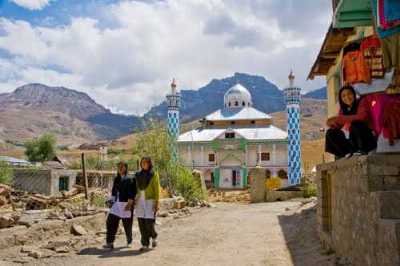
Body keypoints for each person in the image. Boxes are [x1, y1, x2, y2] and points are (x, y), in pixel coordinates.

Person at [325, 85, 377, 158]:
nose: (347, 97)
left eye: (349, 94)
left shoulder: (361, 102)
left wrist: (340, 118)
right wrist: (333, 123)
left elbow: (362, 117)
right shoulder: (343, 109)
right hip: (353, 140)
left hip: (366, 138)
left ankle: (361, 150)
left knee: (356, 124)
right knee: (331, 132)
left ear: (354, 94)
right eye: (343, 96)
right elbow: (340, 123)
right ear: (341, 98)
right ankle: (346, 153)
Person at [104, 161, 137, 250]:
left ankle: (129, 241)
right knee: (110, 221)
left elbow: (132, 192)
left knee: (127, 224)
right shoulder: (116, 179)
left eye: (122, 167)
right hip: (117, 204)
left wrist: (130, 203)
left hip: (126, 204)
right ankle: (110, 242)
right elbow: (114, 192)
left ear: (126, 168)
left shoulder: (130, 178)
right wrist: (110, 201)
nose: (120, 168)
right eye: (119, 167)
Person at [135, 157, 160, 251]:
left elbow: (157, 190)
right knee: (141, 222)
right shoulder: (137, 175)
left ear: (149, 164)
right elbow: (135, 188)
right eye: (142, 163)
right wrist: (134, 200)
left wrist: (157, 203)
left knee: (149, 223)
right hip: (139, 201)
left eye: (146, 163)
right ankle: (145, 243)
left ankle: (154, 236)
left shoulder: (154, 174)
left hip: (150, 201)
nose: (144, 164)